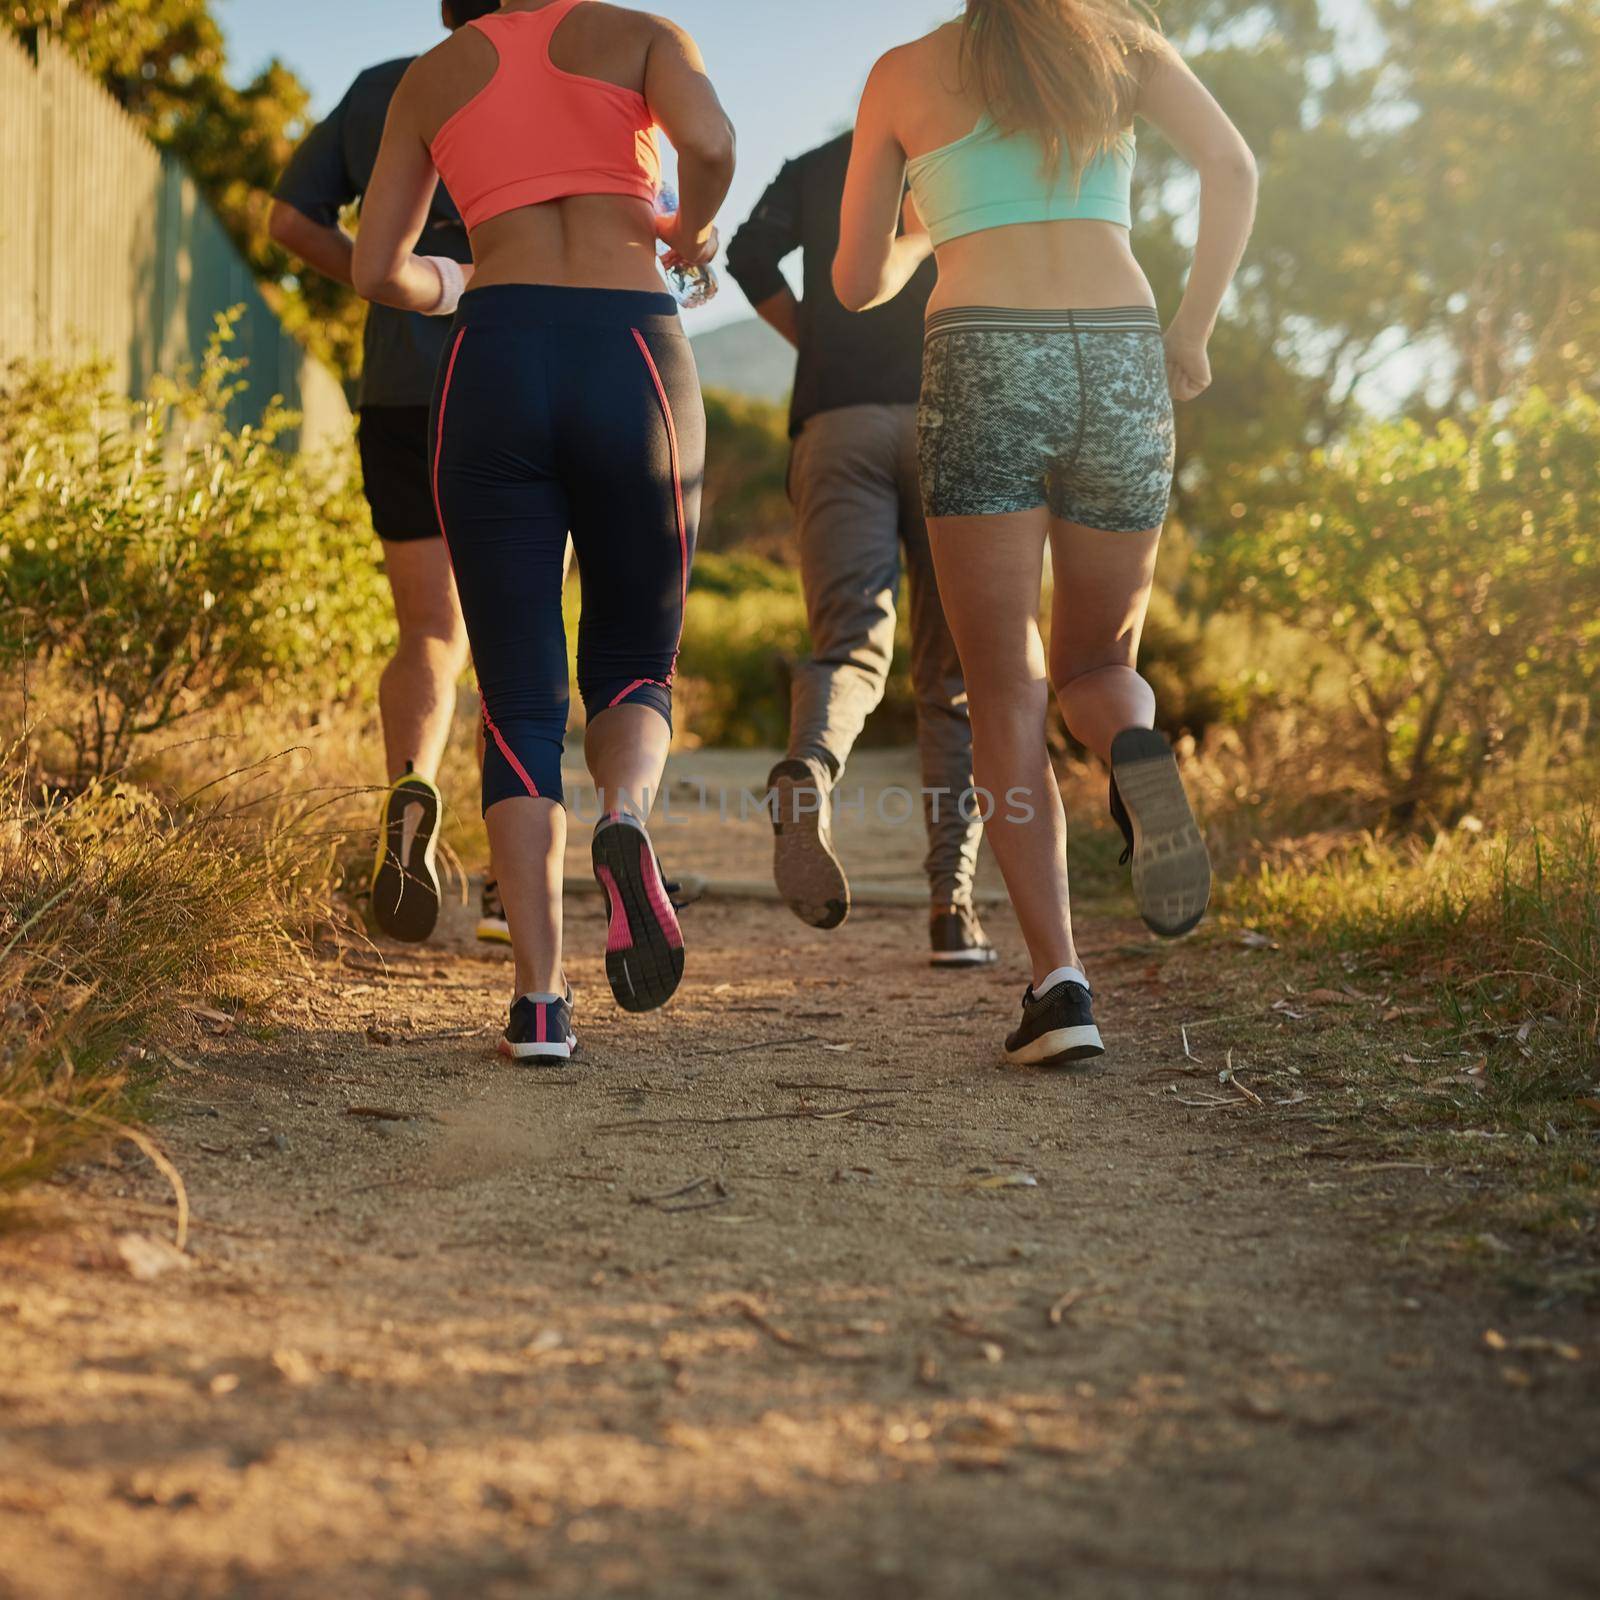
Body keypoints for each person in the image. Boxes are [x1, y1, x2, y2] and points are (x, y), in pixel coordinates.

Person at [835, 0, 1257, 1066]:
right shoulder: (1119, 41)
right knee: (1097, 662)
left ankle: (1059, 986)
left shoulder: (902, 70)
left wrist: (927, 227)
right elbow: (1233, 167)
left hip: (982, 351)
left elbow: (852, 282)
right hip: (1120, 347)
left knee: (1004, 685)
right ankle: (1130, 748)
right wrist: (1192, 327)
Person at [351, 0, 735, 1060]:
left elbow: (374, 268)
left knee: (517, 690)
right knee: (632, 659)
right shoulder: (645, 34)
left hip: (495, 357)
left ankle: (537, 1003)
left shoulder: (434, 74)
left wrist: (460, 280)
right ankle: (623, 819)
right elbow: (708, 142)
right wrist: (690, 228)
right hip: (633, 354)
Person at [269, 0, 514, 948]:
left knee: (428, 631)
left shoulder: (385, 87)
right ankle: (505, 887)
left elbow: (289, 218)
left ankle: (411, 781)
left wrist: (387, 274)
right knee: (517, 637)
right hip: (511, 374)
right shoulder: (546, 78)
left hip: (401, 386)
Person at [726, 137, 995, 968]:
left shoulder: (815, 165)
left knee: (850, 644)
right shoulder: (972, 161)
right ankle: (952, 908)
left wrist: (820, 340)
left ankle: (810, 769)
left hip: (837, 423)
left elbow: (746, 252)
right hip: (952, 417)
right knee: (953, 679)